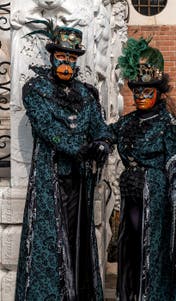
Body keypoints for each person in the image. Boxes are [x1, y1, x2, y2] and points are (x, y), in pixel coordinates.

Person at [15, 21, 112, 301]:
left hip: (80, 181)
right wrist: (79, 147)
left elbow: (100, 126)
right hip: (51, 178)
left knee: (77, 241)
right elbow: (47, 128)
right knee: (51, 241)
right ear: (52, 56)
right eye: (62, 57)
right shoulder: (35, 89)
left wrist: (103, 143)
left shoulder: (86, 94)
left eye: (72, 58)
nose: (67, 64)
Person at [110, 37, 176, 301]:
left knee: (152, 250)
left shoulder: (168, 124)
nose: (140, 97)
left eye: (147, 92)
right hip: (131, 200)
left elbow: (175, 161)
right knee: (130, 249)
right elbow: (104, 135)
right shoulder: (126, 123)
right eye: (137, 91)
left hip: (156, 199)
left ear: (158, 92)